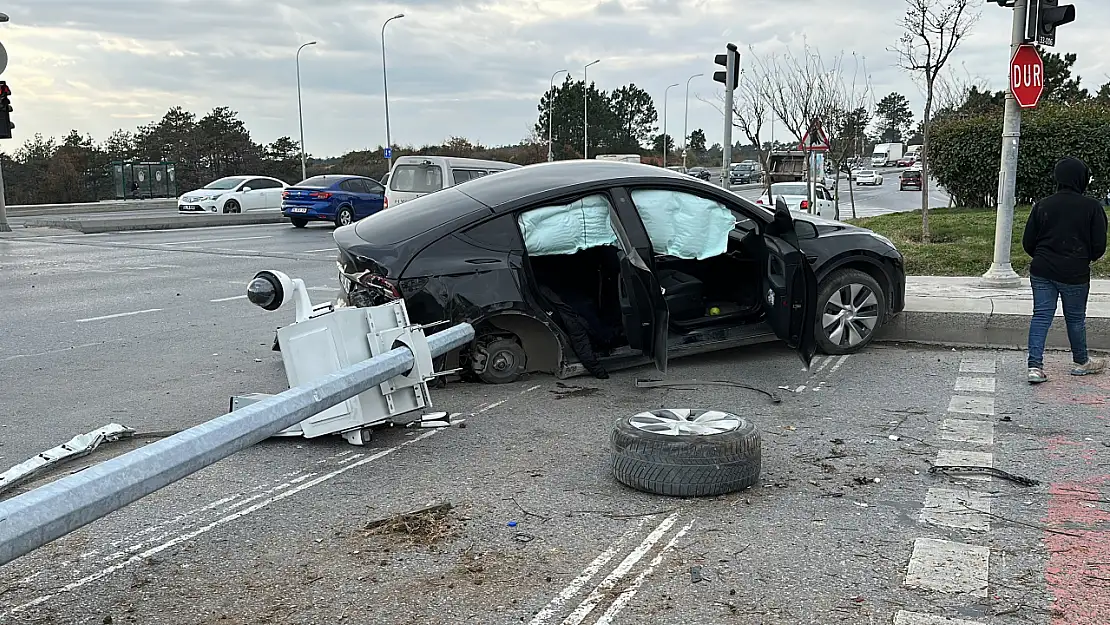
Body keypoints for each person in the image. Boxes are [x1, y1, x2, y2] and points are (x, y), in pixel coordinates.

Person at [1022, 156, 1108, 383]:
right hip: (1075, 272)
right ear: (1081, 179)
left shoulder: (1042, 205)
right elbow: (1099, 245)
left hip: (1042, 270)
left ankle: (1034, 367)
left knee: (1041, 316)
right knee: (1075, 319)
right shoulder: (1092, 207)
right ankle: (1081, 362)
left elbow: (1028, 242)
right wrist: (1081, 258)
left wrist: (1044, 256)